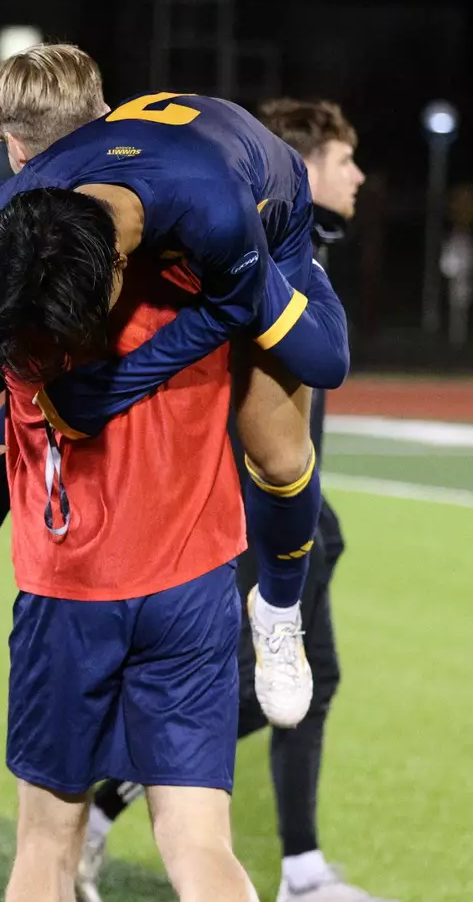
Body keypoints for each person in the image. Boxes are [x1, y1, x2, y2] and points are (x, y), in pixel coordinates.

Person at [0, 47, 350, 901]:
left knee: (296, 407)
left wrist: (107, 385)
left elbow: (262, 324)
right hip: (185, 591)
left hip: (265, 220)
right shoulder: (23, 211)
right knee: (198, 844)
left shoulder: (218, 225)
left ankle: (276, 611)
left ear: (117, 273)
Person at [81, 100, 396, 902]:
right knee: (234, 688)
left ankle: (301, 872)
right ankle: (106, 798)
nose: (356, 175)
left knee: (312, 681)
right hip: (238, 513)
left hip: (291, 509)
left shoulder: (300, 248)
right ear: (301, 165)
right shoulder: (244, 252)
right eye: (341, 159)